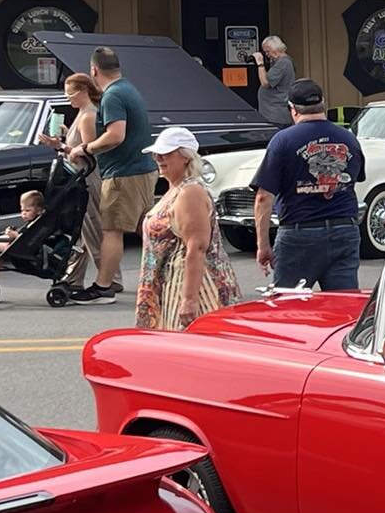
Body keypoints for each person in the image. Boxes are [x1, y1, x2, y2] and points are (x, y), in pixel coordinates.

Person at [251, 79, 365, 291]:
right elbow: (353, 180)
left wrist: (263, 245)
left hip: (299, 233)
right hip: (344, 229)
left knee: (290, 307)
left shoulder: (283, 141)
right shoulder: (348, 139)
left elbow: (264, 197)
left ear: (292, 109)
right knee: (343, 305)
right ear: (323, 103)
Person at [68, 47, 156, 304]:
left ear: (94, 70)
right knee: (149, 229)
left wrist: (85, 148)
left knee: (112, 230)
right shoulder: (129, 89)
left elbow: (116, 135)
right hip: (141, 169)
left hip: (123, 173)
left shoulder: (113, 95)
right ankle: (172, 271)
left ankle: (104, 286)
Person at [135, 127, 242, 331]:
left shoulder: (189, 192)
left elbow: (196, 248)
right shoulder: (175, 189)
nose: (158, 158)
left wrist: (189, 299)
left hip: (195, 286)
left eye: (166, 153)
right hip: (171, 282)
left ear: (185, 157)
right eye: (156, 154)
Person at [40, 72, 104, 293]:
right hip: (80, 178)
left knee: (89, 229)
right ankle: (83, 276)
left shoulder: (88, 116)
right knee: (84, 229)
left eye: (70, 94)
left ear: (83, 91)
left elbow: (87, 150)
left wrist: (62, 147)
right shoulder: (82, 113)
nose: (68, 99)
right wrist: (66, 137)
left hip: (86, 178)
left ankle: (106, 277)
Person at [0, 190, 44, 278]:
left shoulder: (36, 224)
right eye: (22, 210)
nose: (24, 213)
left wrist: (14, 235)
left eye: (27, 210)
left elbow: (27, 238)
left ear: (38, 211)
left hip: (27, 249)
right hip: (24, 247)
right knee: (1, 246)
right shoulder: (35, 222)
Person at [253, 35, 295, 128]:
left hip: (276, 115)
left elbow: (265, 83)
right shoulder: (280, 62)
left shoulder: (283, 63)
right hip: (272, 113)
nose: (267, 55)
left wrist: (260, 64)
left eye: (268, 51)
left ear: (276, 49)